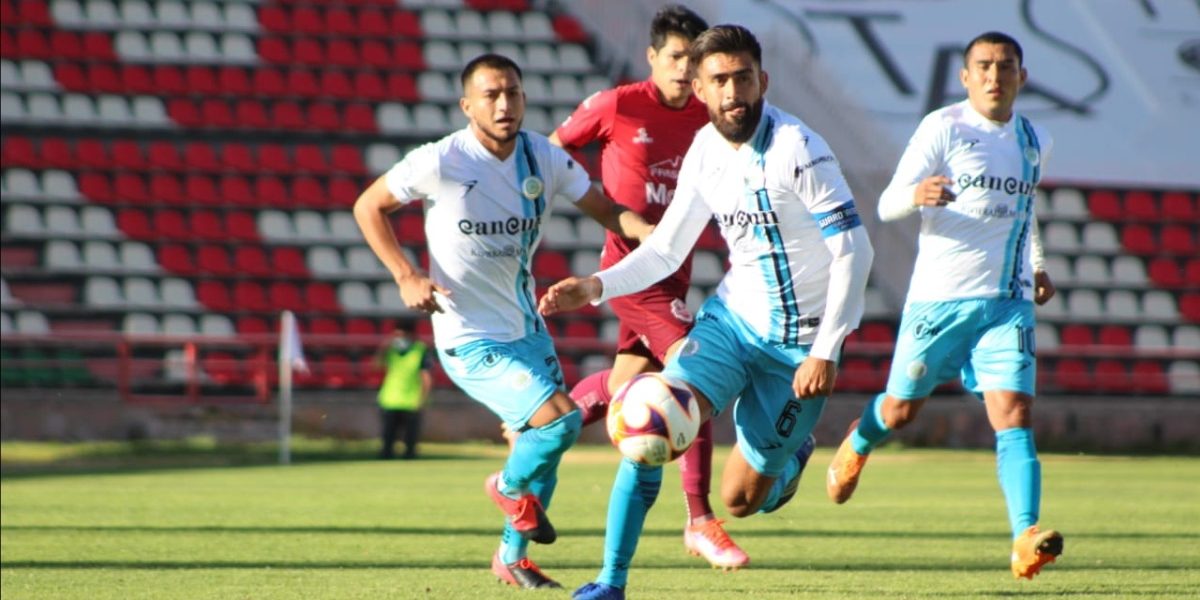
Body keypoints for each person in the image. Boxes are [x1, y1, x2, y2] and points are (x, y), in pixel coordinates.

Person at [538, 25, 874, 600]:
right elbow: (667, 249)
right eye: (719, 80)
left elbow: (855, 249)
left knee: (742, 501)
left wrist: (825, 351)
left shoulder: (799, 148)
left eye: (743, 78)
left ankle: (790, 459)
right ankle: (609, 583)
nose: (733, 91)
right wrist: (594, 285)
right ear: (699, 88)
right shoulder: (704, 152)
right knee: (651, 419)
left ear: (762, 80)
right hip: (732, 324)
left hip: (799, 348)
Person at [353, 53, 653, 590]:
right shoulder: (440, 160)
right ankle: (507, 490)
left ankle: (512, 557)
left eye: (512, 92)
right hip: (466, 334)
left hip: (526, 326)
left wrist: (656, 236)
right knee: (559, 424)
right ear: (468, 105)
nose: (504, 104)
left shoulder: (543, 157)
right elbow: (367, 206)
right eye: (490, 95)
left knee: (551, 448)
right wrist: (405, 275)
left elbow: (607, 211)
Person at [824, 31, 1063, 580]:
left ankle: (1025, 536)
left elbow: (1025, 209)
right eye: (983, 65)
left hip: (1007, 302)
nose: (994, 75)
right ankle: (860, 440)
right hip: (939, 300)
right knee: (901, 411)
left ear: (1021, 76)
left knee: (1016, 416)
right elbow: (885, 205)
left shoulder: (1035, 138)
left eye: (1005, 66)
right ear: (965, 75)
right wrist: (917, 195)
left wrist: (1040, 263)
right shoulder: (942, 127)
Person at [547, 5, 753, 569]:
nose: (686, 70)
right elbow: (550, 151)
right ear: (652, 58)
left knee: (626, 386)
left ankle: (538, 433)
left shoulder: (709, 120)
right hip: (630, 270)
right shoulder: (618, 104)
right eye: (676, 58)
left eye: (694, 60)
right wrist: (611, 212)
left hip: (678, 269)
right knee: (694, 368)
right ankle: (700, 519)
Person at [375, 323, 433, 460]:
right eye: (397, 335)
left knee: (410, 440)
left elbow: (426, 377)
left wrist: (423, 398)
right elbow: (376, 366)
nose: (399, 338)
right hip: (390, 399)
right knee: (388, 437)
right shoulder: (390, 350)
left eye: (402, 335)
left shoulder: (420, 350)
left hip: (411, 400)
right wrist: (383, 348)